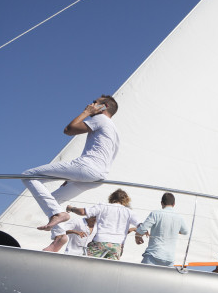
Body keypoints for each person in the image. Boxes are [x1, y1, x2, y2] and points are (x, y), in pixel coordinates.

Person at [23, 95, 120, 231]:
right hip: (99, 176)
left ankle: (59, 215)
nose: (91, 104)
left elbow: (69, 130)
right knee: (53, 201)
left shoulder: (101, 119)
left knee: (28, 175)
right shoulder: (114, 130)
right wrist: (71, 176)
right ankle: (59, 234)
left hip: (87, 167)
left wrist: (87, 112)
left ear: (105, 106)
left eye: (94, 102)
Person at [67, 188, 139, 260]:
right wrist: (138, 235)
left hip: (100, 241)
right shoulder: (129, 212)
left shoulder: (103, 206)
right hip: (117, 245)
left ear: (111, 197)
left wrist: (71, 208)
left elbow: (82, 212)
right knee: (109, 266)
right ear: (126, 200)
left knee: (87, 262)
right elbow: (140, 225)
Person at [134, 192, 190, 266]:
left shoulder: (155, 214)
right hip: (169, 259)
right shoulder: (179, 217)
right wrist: (173, 229)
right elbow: (185, 231)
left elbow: (142, 229)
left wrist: (137, 236)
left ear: (161, 203)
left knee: (141, 273)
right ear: (174, 204)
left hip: (153, 255)